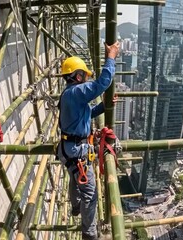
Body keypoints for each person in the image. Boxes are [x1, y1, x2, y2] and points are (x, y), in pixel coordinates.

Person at [57, 41, 120, 240]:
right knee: (90, 194)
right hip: (76, 150)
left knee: (75, 180)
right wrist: (111, 58)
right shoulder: (75, 92)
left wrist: (102, 107)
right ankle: (89, 234)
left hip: (68, 148)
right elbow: (102, 83)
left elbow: (85, 115)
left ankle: (75, 208)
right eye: (84, 76)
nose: (85, 79)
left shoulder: (70, 95)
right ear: (77, 76)